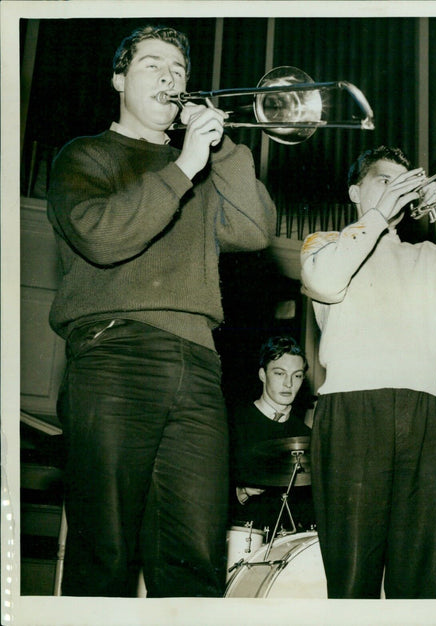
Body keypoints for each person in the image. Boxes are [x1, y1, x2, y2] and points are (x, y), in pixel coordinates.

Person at [47, 25, 276, 597]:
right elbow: (101, 237)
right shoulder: (85, 155)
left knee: (196, 555)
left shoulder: (198, 168)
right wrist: (183, 166)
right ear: (119, 79)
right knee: (106, 550)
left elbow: (254, 229)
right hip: (113, 352)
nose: (169, 76)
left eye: (177, 68)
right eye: (152, 64)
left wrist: (219, 148)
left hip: (198, 364)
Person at [300, 145, 436, 598]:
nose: (401, 189)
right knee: (352, 568)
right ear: (354, 192)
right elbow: (325, 281)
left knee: (423, 567)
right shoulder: (325, 242)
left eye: (407, 182)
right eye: (385, 180)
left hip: (422, 408)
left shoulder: (428, 253)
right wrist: (379, 217)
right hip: (351, 405)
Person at [229, 335, 314, 535]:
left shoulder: (306, 437)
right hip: (240, 538)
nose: (288, 384)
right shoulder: (231, 422)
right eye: (279, 373)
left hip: (287, 544)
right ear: (262, 374)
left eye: (297, 375)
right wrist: (240, 492)